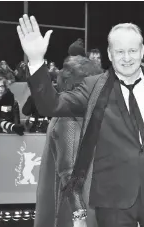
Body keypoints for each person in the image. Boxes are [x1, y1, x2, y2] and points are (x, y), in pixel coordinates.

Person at [17, 15, 144, 227]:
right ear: (110, 54)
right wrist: (36, 61)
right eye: (120, 51)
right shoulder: (93, 87)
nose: (127, 58)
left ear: (142, 52)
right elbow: (51, 106)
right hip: (113, 199)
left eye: (132, 51)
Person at [34, 56, 103, 227]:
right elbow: (69, 171)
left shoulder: (78, 113)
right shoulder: (69, 118)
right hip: (75, 211)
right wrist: (80, 216)